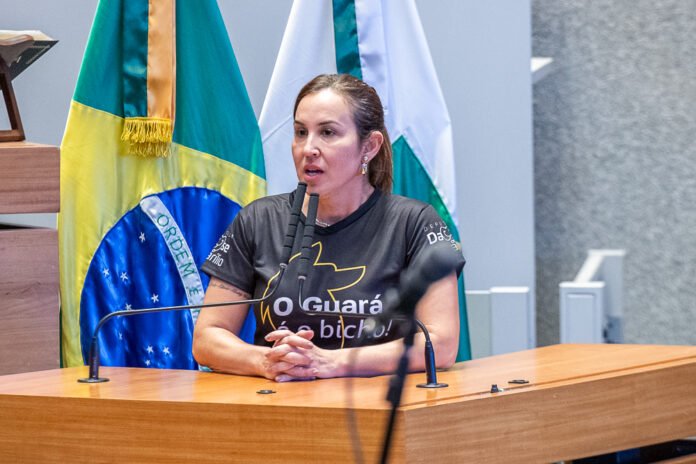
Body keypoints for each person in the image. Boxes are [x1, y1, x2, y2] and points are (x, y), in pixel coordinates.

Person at [193, 74, 464, 382]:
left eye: (327, 133)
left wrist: (330, 362)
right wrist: (266, 361)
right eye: (300, 132)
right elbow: (207, 338)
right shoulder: (258, 219)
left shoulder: (414, 223)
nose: (308, 148)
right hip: (279, 400)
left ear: (369, 146)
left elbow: (441, 344)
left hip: (374, 403)